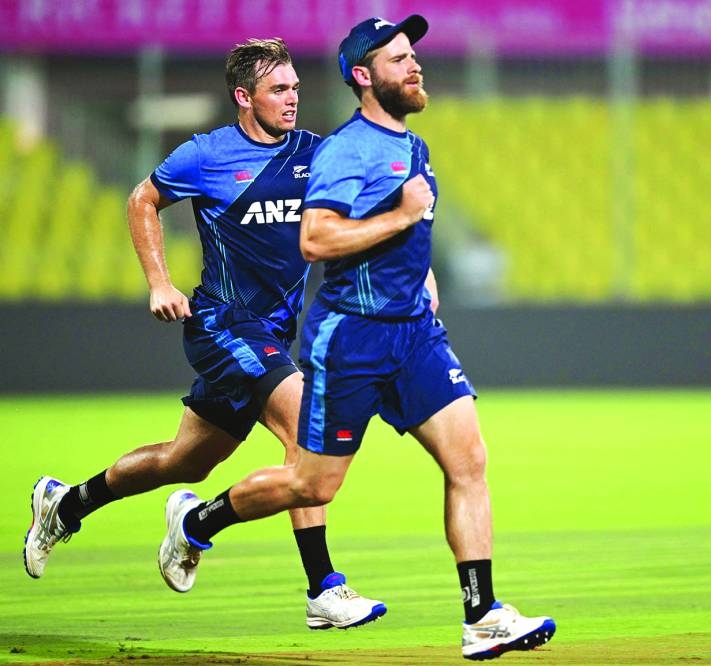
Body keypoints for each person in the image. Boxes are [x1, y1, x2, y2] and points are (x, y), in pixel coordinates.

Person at [156, 15, 557, 661]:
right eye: (400, 59)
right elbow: (316, 239)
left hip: (415, 335)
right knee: (311, 484)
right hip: (352, 338)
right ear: (364, 78)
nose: (416, 66)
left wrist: (422, 271)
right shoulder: (344, 151)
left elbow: (403, 234)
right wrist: (401, 215)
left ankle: (482, 614)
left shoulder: (412, 147)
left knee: (469, 460)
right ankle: (199, 520)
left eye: (414, 55)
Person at [23, 37, 387, 631]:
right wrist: (159, 282)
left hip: (273, 334)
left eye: (295, 87)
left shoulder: (313, 155)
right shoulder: (207, 155)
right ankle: (324, 587)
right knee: (307, 429)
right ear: (245, 97)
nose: (292, 98)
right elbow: (143, 199)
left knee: (182, 462)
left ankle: (65, 504)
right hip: (222, 324)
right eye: (278, 89)